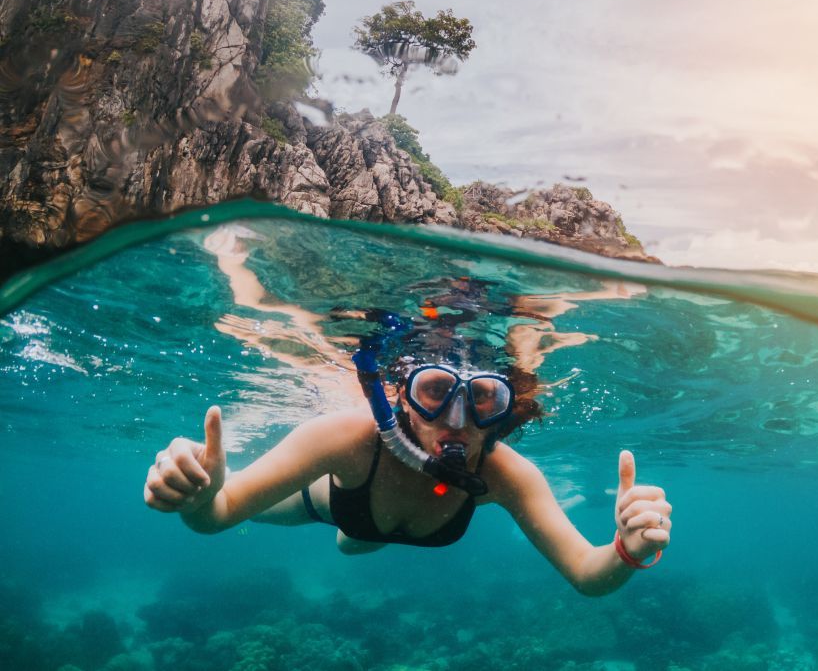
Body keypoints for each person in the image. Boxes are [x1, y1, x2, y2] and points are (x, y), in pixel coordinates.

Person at [143, 227, 672, 596]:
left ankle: (362, 538)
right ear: (401, 398)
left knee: (360, 544)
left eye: (484, 398)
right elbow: (217, 517)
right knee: (333, 533)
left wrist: (625, 551)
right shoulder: (345, 439)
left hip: (373, 525)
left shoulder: (507, 475)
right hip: (328, 504)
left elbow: (586, 573)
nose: (457, 419)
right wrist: (203, 492)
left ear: (505, 411)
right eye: (436, 390)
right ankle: (357, 534)